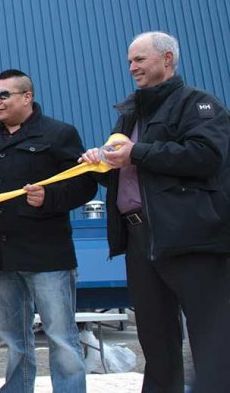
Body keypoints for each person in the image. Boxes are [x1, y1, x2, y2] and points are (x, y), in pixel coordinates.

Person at [80, 31, 230, 392]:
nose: (132, 67)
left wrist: (137, 153)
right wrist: (104, 166)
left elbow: (206, 156)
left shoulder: (198, 105)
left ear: (166, 59)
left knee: (210, 335)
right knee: (155, 338)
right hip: (139, 238)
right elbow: (135, 177)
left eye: (140, 59)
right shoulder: (130, 114)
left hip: (190, 237)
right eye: (130, 60)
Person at [0, 69, 96, 392]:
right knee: (13, 338)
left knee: (61, 337)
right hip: (1, 257)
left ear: (27, 97)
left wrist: (50, 198)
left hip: (48, 256)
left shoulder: (58, 134)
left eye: (4, 95)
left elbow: (85, 185)